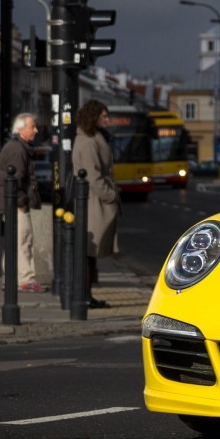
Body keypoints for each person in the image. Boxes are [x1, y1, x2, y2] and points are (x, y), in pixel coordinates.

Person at [72, 100, 121, 309]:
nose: (108, 120)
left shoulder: (91, 138)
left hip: (92, 201)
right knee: (89, 251)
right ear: (94, 117)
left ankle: (86, 296)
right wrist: (111, 196)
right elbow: (94, 176)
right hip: (93, 202)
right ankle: (84, 297)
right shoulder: (89, 142)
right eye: (104, 116)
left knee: (90, 253)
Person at [0, 113, 44, 292]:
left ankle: (11, 278)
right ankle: (24, 279)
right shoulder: (17, 149)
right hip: (15, 204)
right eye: (33, 127)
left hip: (11, 203)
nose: (36, 130)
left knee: (15, 240)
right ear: (21, 129)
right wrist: (22, 203)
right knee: (23, 240)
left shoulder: (18, 147)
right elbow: (14, 180)